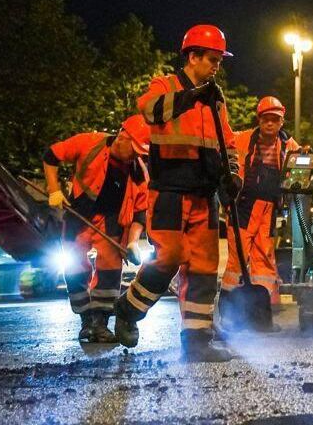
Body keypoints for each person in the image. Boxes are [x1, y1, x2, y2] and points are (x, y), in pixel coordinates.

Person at [114, 24, 241, 362]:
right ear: (192, 56)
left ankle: (198, 341)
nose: (216, 66)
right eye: (211, 59)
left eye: (219, 60)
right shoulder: (166, 85)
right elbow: (151, 110)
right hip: (169, 190)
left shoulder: (216, 98)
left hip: (205, 194)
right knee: (168, 257)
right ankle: (128, 309)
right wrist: (191, 97)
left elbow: (227, 141)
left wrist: (233, 176)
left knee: (204, 267)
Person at [43, 115, 150, 342]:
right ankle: (85, 320)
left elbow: (141, 211)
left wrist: (132, 241)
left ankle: (100, 323)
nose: (136, 155)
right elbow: (51, 155)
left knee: (110, 270)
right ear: (122, 136)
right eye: (135, 149)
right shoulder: (88, 143)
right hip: (79, 216)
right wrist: (54, 189)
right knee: (74, 266)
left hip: (111, 222)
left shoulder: (139, 171)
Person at [220, 95, 301, 331]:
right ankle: (228, 316)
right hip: (242, 208)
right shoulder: (242, 139)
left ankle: (261, 319)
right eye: (266, 119)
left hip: (267, 211)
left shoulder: (289, 147)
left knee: (264, 264)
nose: (269, 124)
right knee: (236, 265)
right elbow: (224, 160)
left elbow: (301, 167)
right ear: (259, 119)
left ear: (281, 122)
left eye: (274, 120)